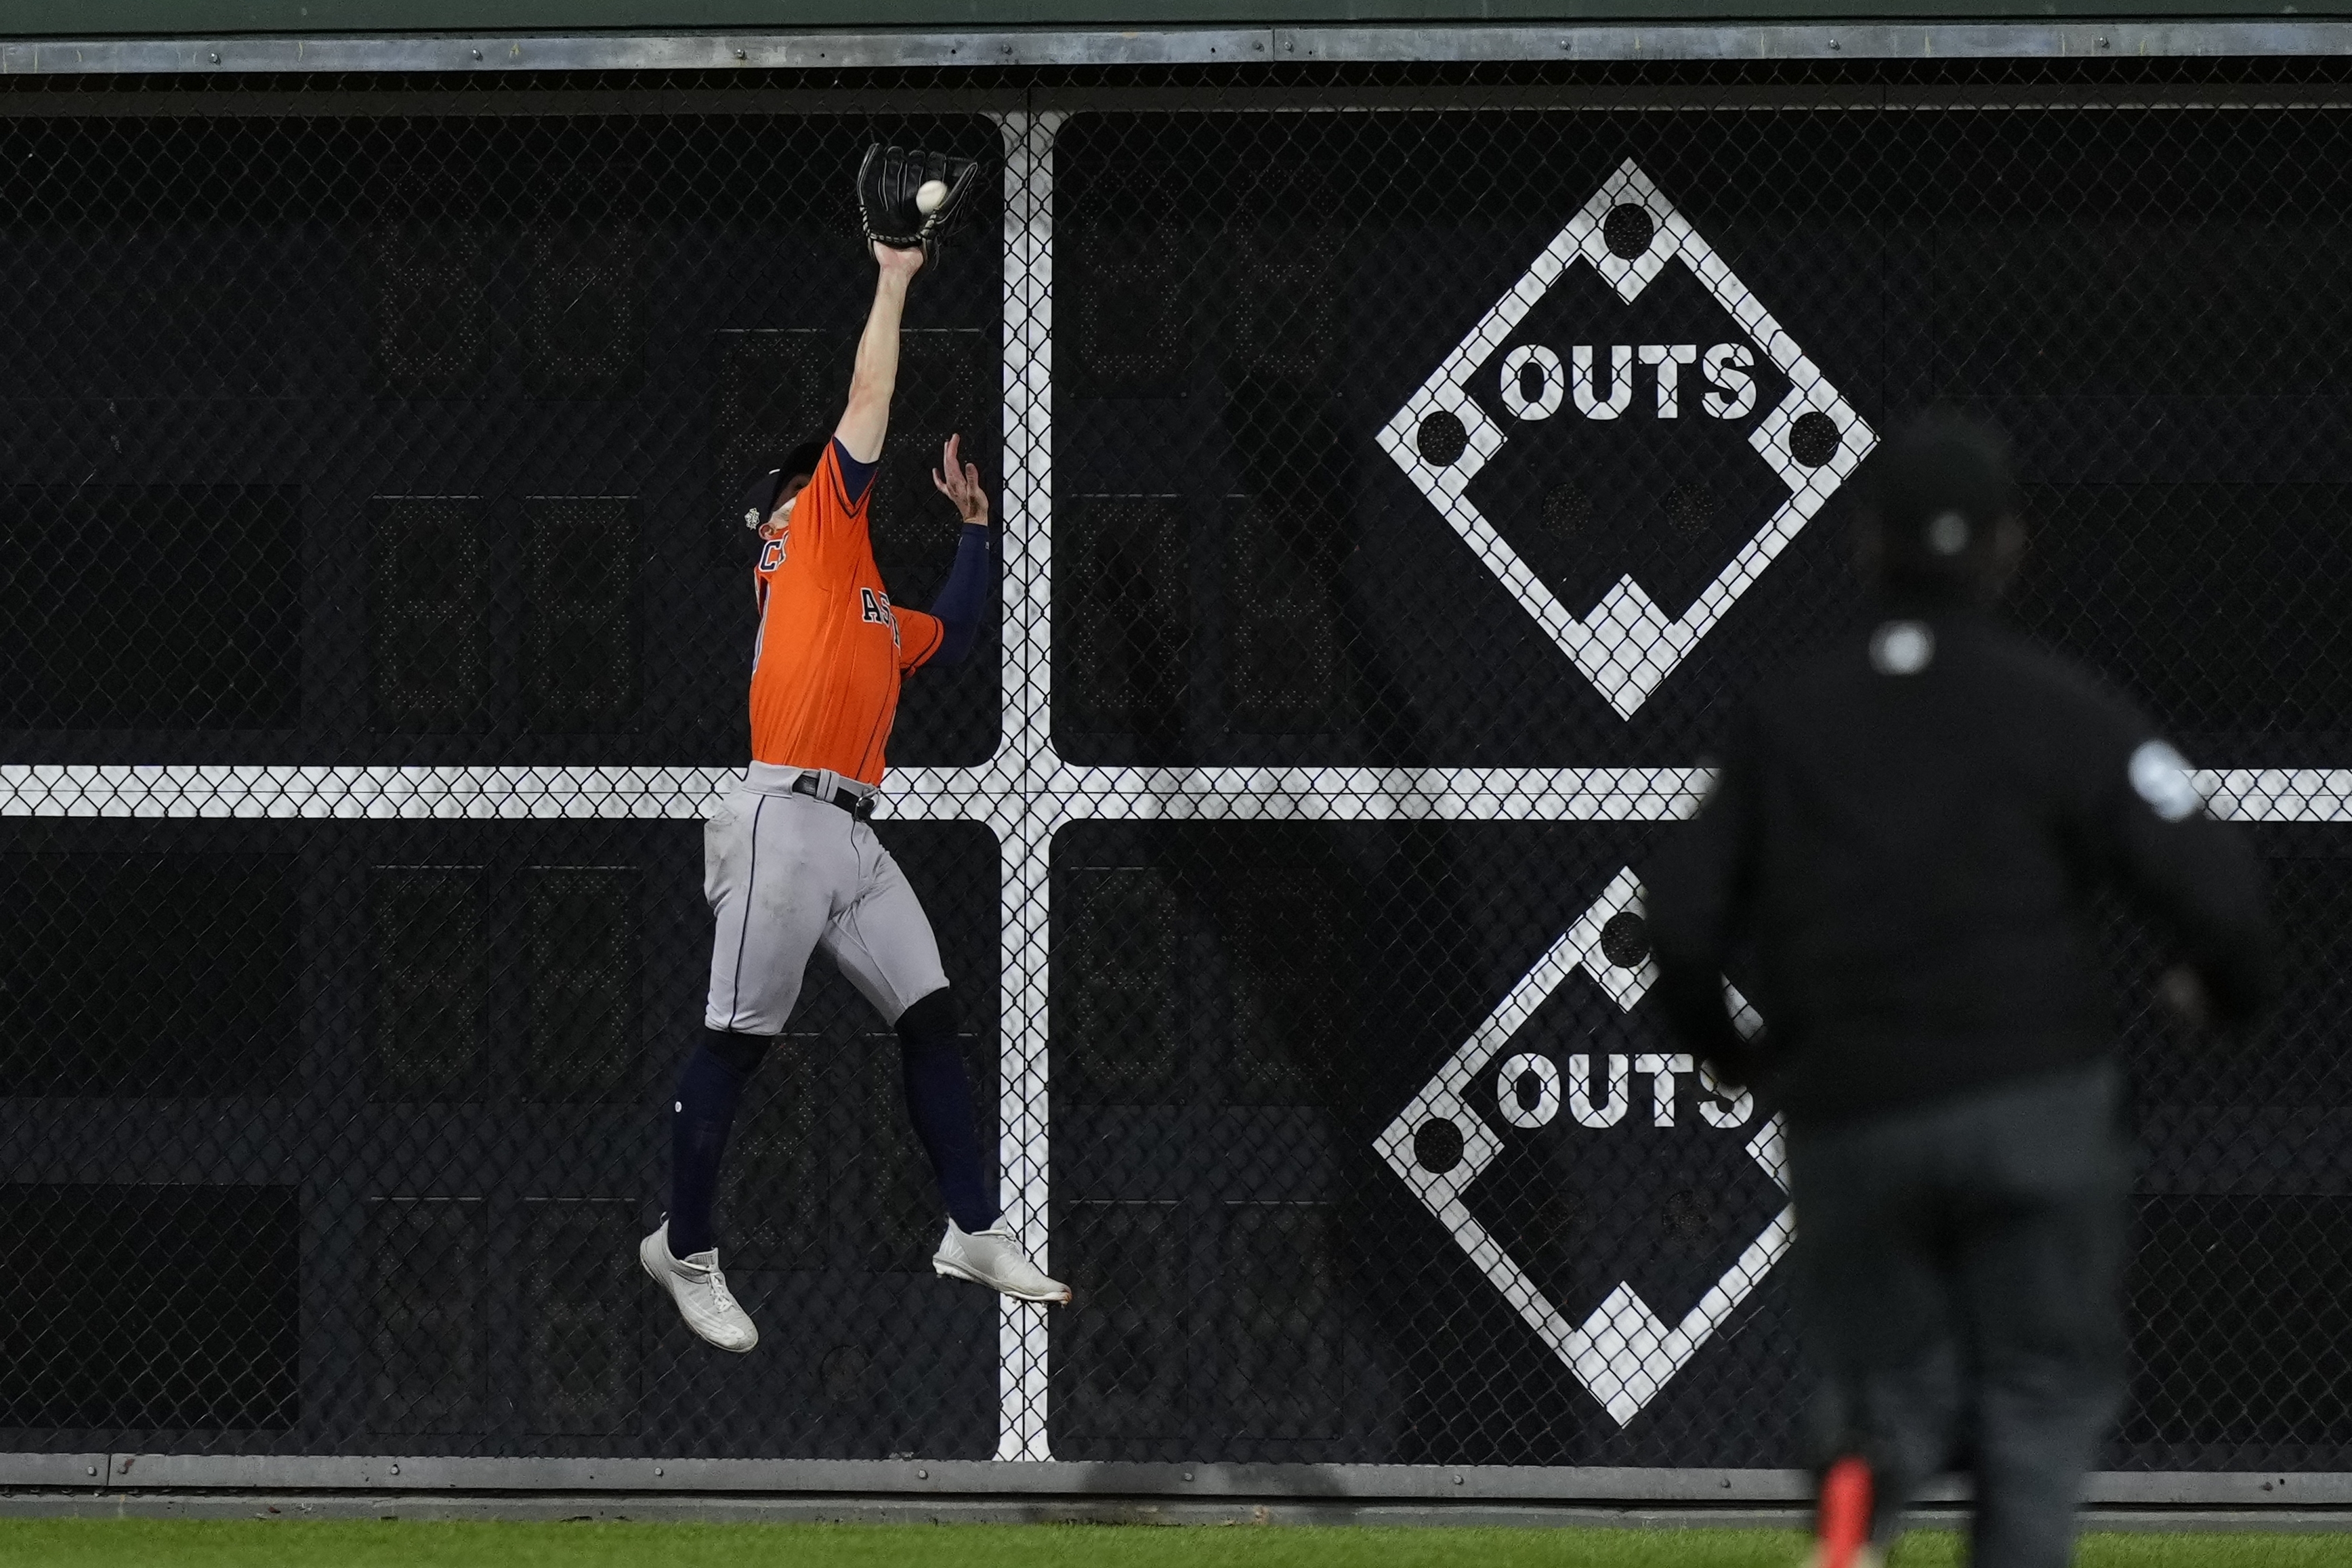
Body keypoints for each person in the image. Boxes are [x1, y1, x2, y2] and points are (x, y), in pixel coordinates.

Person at [1644, 410, 2272, 1568]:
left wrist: (1725, 1047)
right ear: (2005, 551)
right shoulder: (2063, 708)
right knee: (2035, 1400)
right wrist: (2222, 995)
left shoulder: (1788, 719)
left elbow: (1677, 922)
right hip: (2035, 1101)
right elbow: (2223, 895)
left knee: (1877, 1383)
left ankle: (1850, 1526)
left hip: (1857, 1106)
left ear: (1865, 547)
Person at [640, 236, 1069, 1355]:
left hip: (849, 836)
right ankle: (684, 1250)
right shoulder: (813, 542)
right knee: (735, 1044)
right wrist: (894, 279)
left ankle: (971, 1229)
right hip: (781, 819)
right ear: (781, 517)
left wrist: (975, 528)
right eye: (806, 477)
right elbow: (870, 394)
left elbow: (960, 633)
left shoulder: (868, 607)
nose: (827, 475)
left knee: (931, 1017)